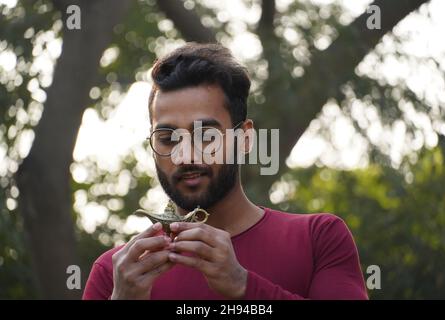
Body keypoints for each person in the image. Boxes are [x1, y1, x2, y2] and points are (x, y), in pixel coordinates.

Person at [83, 43, 368, 300]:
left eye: (206, 135)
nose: (186, 155)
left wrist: (242, 285)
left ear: (244, 138)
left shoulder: (318, 239)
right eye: (168, 139)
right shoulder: (116, 273)